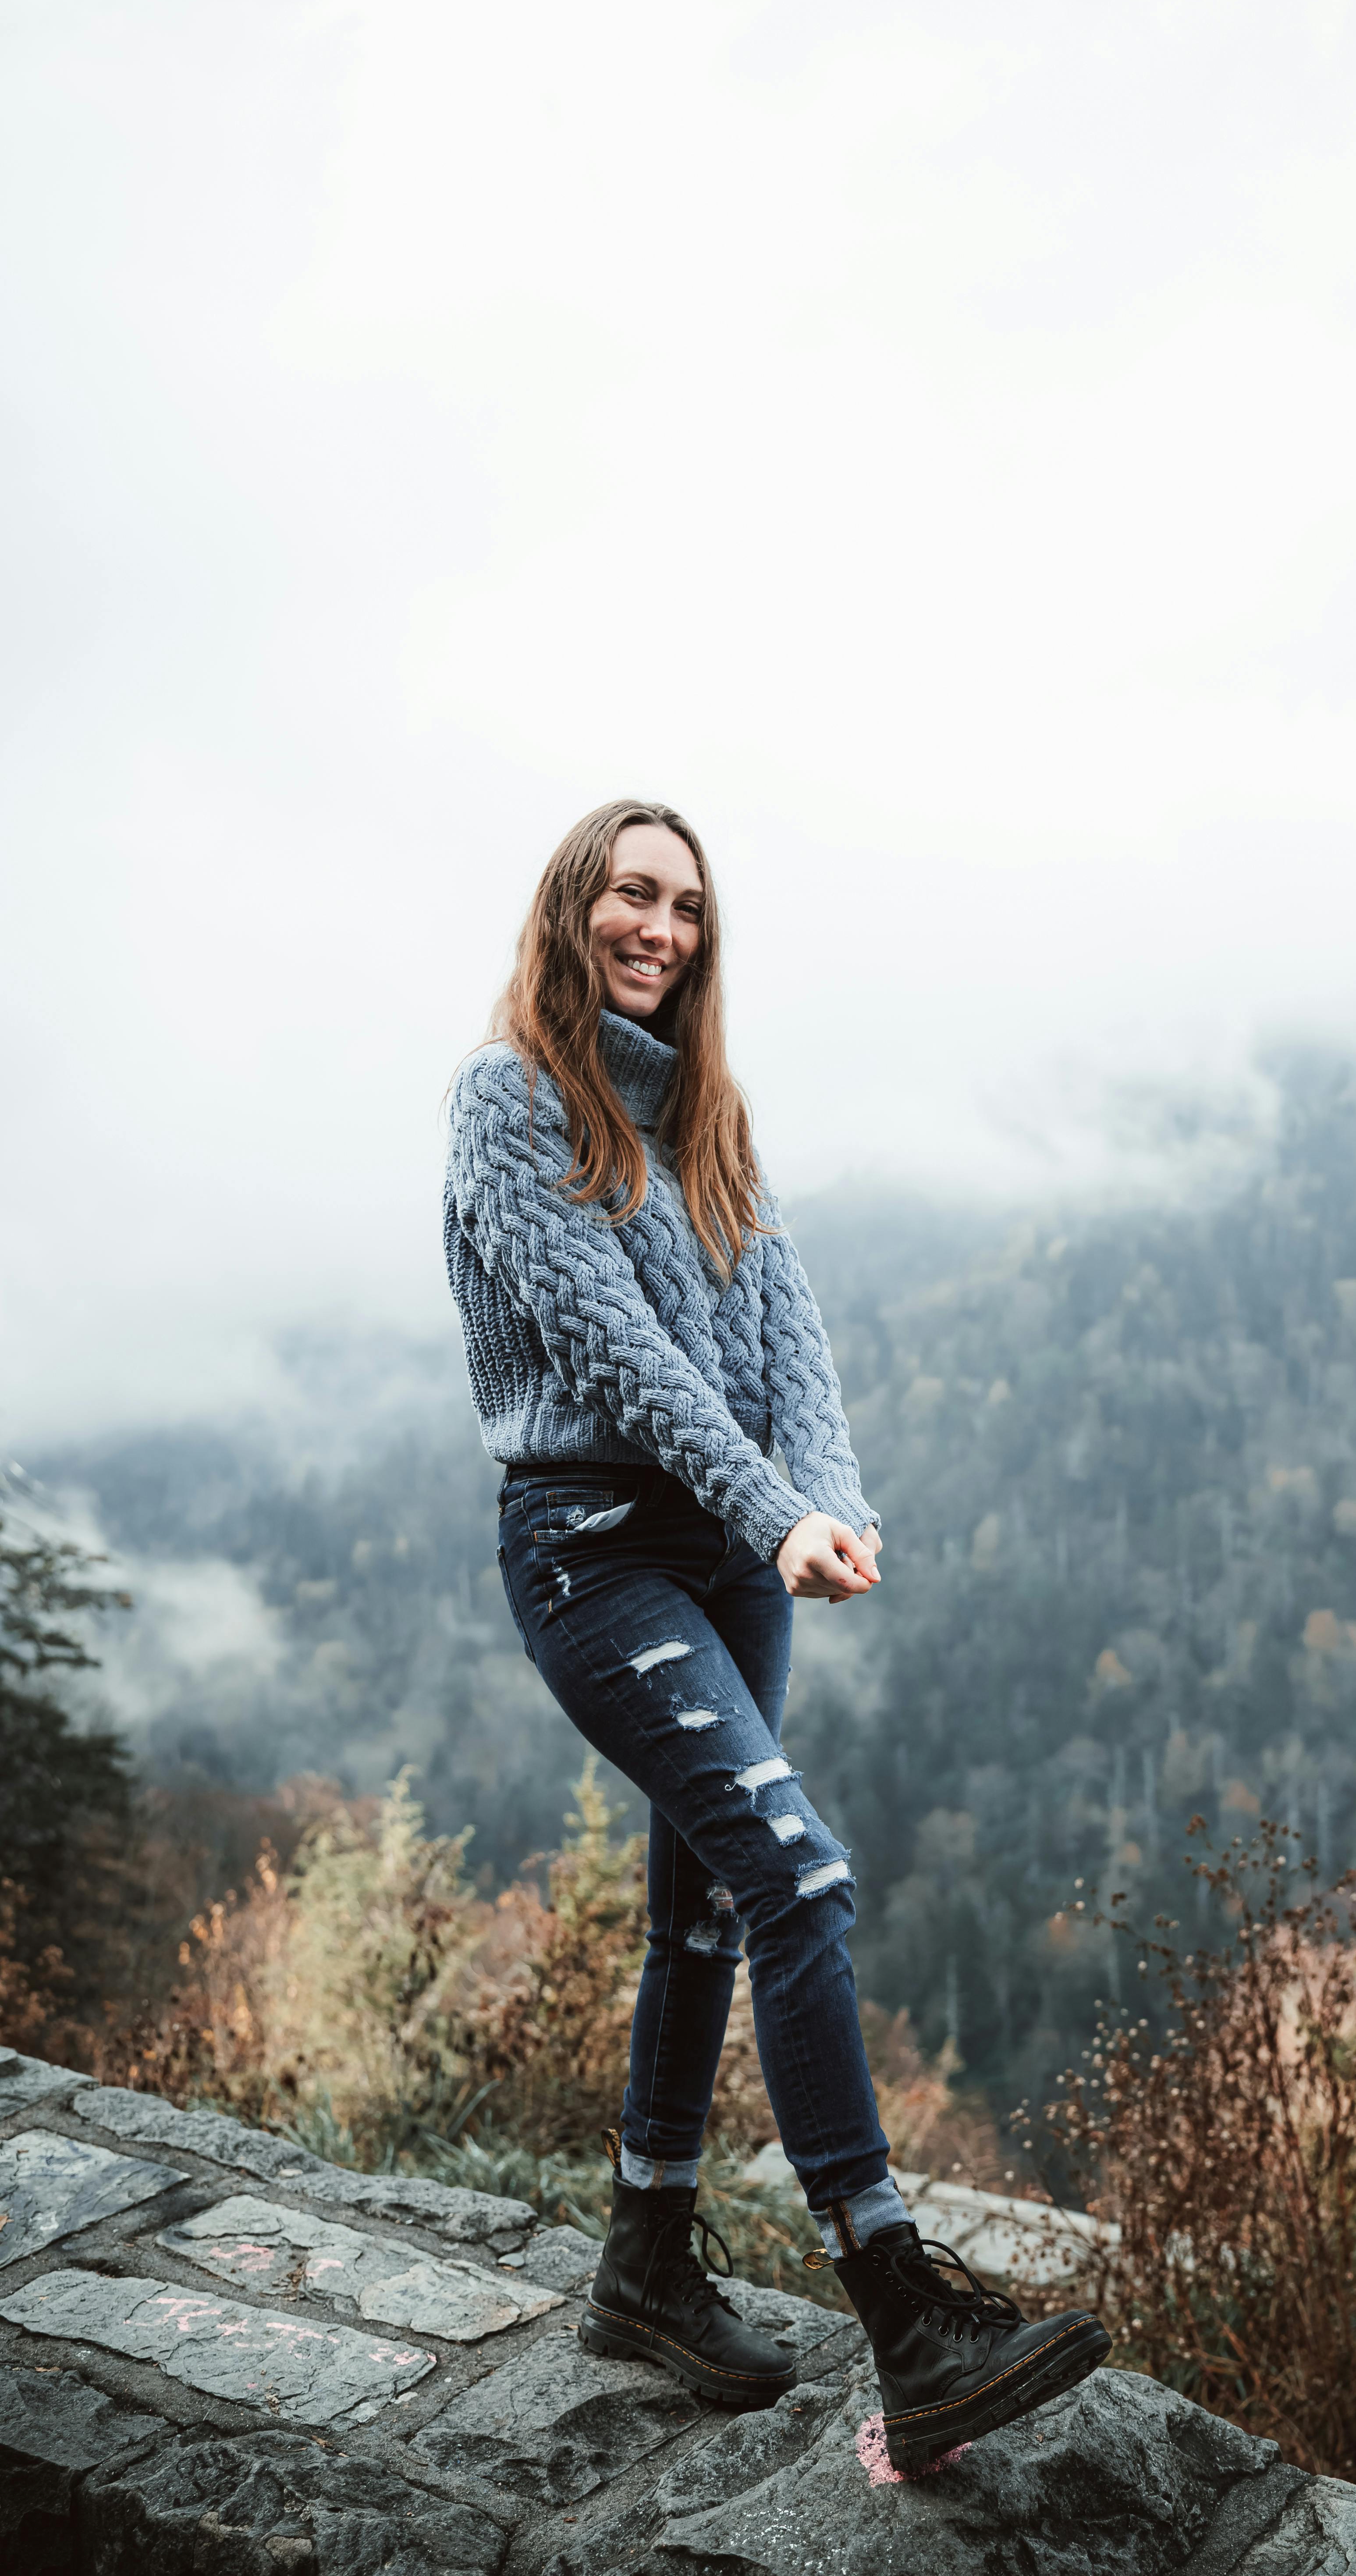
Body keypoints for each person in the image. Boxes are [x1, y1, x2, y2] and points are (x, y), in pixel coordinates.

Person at [444, 797, 1108, 2470]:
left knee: (710, 1916)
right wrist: (771, 1513)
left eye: (686, 906)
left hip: (731, 1557)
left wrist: (839, 1497)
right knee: (800, 1872)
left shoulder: (711, 1120)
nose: (659, 929)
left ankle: (645, 2268)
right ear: (570, 908)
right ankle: (907, 2315)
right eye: (630, 896)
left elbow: (790, 1341)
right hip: (600, 1555)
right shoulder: (511, 1102)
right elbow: (617, 1357)